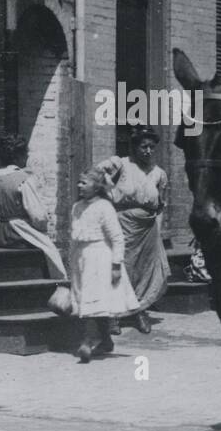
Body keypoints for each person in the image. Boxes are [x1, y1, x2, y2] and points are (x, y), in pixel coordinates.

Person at [93, 128, 169, 333]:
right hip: (123, 224)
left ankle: (138, 310)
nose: (148, 151)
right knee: (122, 266)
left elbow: (160, 206)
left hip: (149, 227)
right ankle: (114, 315)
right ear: (134, 147)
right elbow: (97, 172)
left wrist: (158, 232)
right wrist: (111, 190)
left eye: (152, 147)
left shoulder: (159, 173)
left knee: (144, 268)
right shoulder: (122, 164)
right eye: (143, 146)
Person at [68, 169, 140, 363]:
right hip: (82, 258)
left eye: (84, 183)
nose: (79, 186)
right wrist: (71, 260)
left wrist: (116, 264)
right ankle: (105, 341)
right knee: (87, 298)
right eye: (79, 183)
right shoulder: (76, 207)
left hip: (100, 258)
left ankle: (88, 340)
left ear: (97, 186)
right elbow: (74, 237)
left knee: (95, 299)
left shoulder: (104, 207)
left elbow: (117, 238)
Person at [0, 134, 66, 280]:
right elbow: (38, 216)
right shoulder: (23, 179)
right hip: (18, 234)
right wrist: (42, 227)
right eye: (26, 153)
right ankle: (56, 285)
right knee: (52, 254)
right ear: (18, 156)